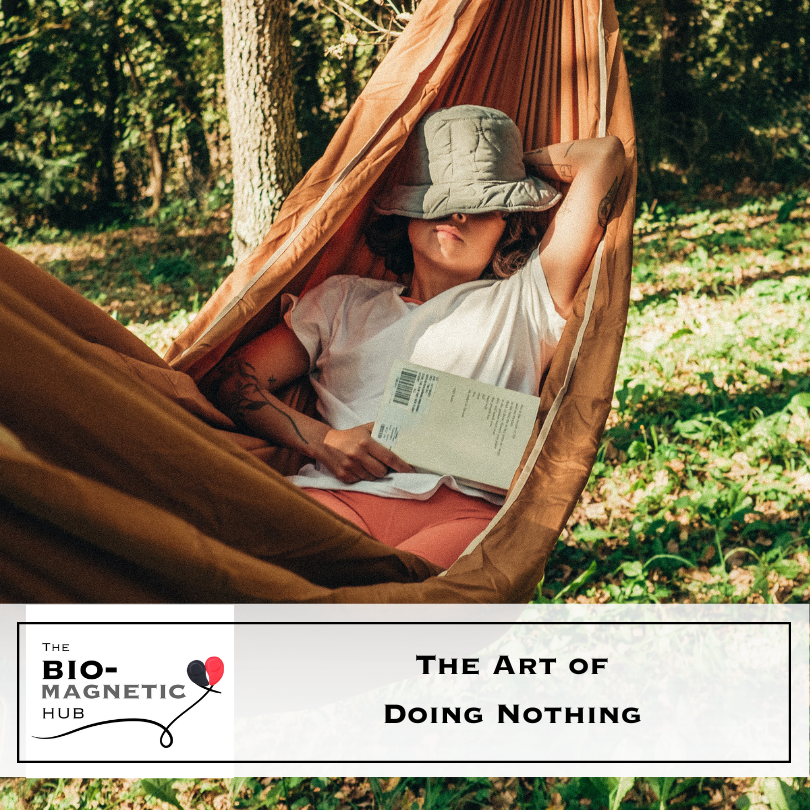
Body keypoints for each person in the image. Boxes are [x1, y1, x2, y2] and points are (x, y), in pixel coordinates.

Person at [216, 105, 625, 568]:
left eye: (481, 203)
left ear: (508, 224)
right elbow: (233, 379)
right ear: (407, 214)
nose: (457, 212)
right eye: (439, 195)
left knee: (391, 610)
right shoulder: (343, 300)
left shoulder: (528, 298)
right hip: (337, 498)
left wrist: (505, 164)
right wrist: (324, 442)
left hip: (463, 518)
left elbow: (604, 157)